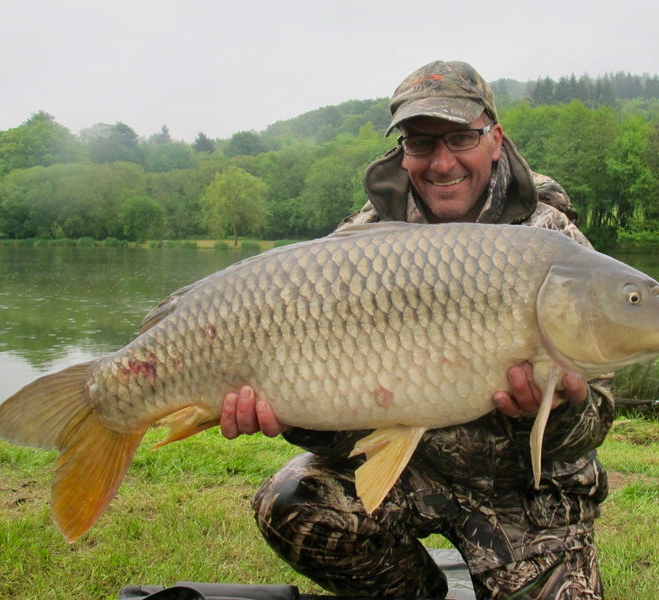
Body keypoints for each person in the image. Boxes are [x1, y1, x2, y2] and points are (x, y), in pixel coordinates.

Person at [220, 61, 615, 600]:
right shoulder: (359, 245)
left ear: (495, 140)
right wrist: (289, 415)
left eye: (460, 137)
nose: (441, 161)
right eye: (420, 143)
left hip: (525, 491)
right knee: (292, 501)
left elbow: (595, 423)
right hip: (409, 473)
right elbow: (339, 431)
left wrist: (557, 408)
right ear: (402, 150)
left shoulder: (552, 244)